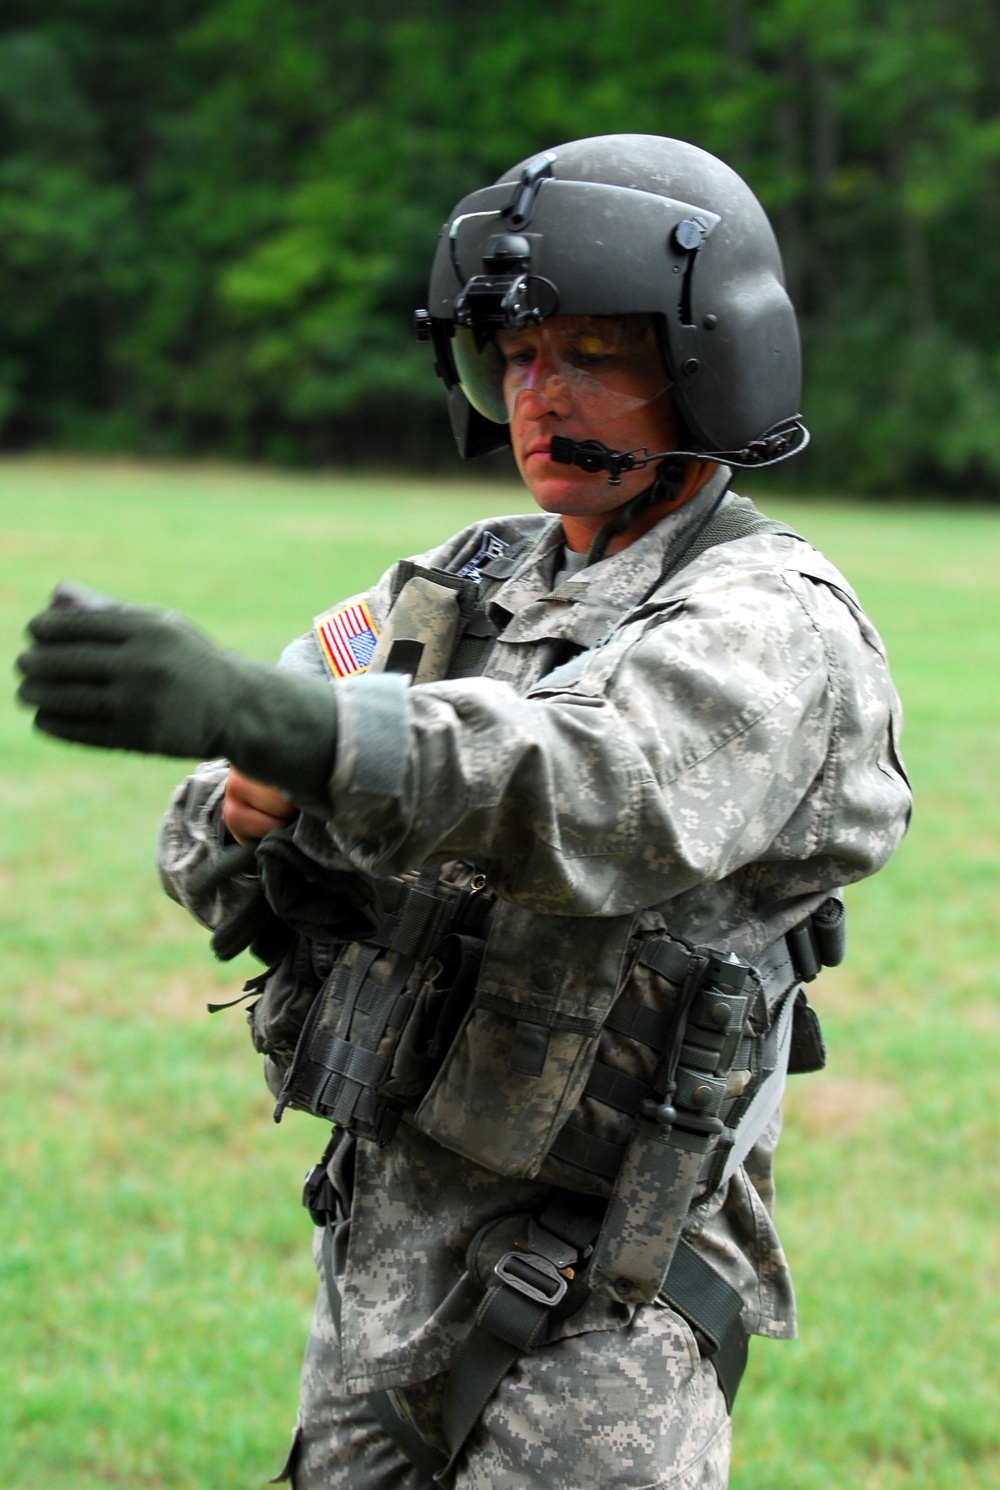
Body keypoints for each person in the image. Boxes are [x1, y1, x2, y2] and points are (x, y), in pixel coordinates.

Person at [17, 134, 912, 1489]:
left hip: (603, 1314)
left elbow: (596, 791)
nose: (539, 396)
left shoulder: (773, 624)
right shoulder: (449, 589)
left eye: (592, 353)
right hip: (381, 1264)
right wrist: (254, 795)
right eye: (515, 355)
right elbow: (204, 851)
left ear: (708, 360)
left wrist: (300, 731)